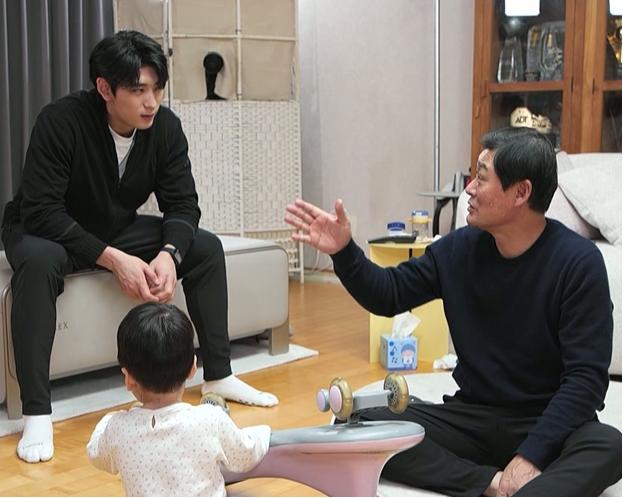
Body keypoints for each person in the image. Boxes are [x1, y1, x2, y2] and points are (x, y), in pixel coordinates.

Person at [285, 127, 622, 496]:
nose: (469, 190)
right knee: (356, 422)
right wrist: (344, 252)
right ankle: (489, 484)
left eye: (481, 178)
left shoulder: (578, 263)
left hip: (548, 421)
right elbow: (388, 294)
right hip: (474, 418)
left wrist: (531, 455)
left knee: (608, 446)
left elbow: (586, 380)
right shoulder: (459, 249)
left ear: (521, 192)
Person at [1, 30, 277, 464]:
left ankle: (219, 374)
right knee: (38, 263)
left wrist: (169, 254)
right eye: (138, 90)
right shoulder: (60, 121)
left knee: (203, 248)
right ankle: (37, 410)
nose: (151, 102)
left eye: (157, 89)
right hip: (45, 229)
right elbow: (41, 210)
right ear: (105, 89)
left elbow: (183, 204)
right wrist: (114, 260)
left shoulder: (164, 127)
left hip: (113, 226)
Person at [87, 302, 270, 496]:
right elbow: (245, 456)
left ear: (128, 379)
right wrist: (264, 433)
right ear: (193, 367)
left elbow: (95, 453)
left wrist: (110, 419)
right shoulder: (211, 419)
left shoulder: (117, 428)